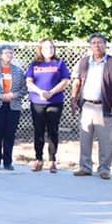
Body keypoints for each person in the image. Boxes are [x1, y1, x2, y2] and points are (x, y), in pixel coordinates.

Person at [70, 33, 112, 180]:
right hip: (86, 105)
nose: (97, 45)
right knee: (85, 138)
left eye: (100, 42)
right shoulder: (83, 62)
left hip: (104, 106)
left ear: (105, 45)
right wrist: (73, 99)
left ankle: (104, 169)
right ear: (90, 46)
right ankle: (85, 167)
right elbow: (76, 81)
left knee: (105, 140)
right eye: (93, 43)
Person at [25, 39, 72, 173]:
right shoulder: (35, 64)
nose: (49, 50)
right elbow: (29, 81)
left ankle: (52, 160)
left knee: (53, 131)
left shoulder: (59, 63)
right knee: (38, 131)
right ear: (41, 49)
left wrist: (51, 92)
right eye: (46, 48)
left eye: (51, 47)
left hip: (54, 102)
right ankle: (38, 159)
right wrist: (40, 92)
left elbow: (65, 81)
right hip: (37, 102)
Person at [0, 44, 27, 170]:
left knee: (9, 134)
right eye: (7, 53)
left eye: (11, 53)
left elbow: (24, 88)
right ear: (0, 55)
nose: (10, 55)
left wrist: (15, 95)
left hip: (13, 106)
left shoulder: (18, 71)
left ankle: (8, 162)